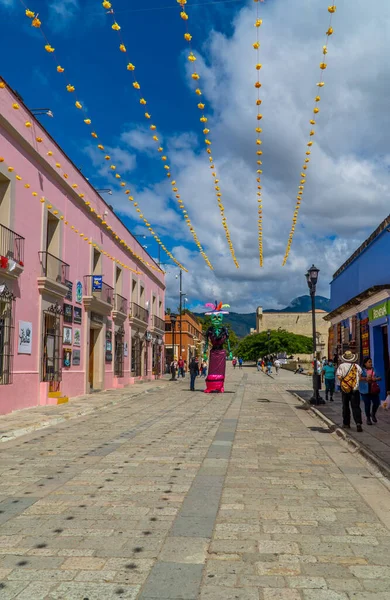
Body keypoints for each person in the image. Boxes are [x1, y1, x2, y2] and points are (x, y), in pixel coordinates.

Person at [336, 350, 363, 432]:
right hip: (355, 389)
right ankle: (358, 423)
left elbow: (339, 377)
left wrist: (345, 382)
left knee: (345, 406)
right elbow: (360, 377)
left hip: (345, 389)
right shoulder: (357, 366)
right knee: (356, 407)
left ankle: (346, 423)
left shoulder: (341, 366)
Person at [359, 357, 381, 425]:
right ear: (365, 363)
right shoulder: (361, 370)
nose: (370, 363)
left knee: (376, 403)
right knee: (367, 404)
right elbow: (359, 378)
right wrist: (366, 378)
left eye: (371, 362)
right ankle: (368, 418)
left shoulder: (374, 369)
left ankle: (373, 413)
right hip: (364, 390)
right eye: (369, 362)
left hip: (373, 389)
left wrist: (375, 379)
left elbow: (379, 377)